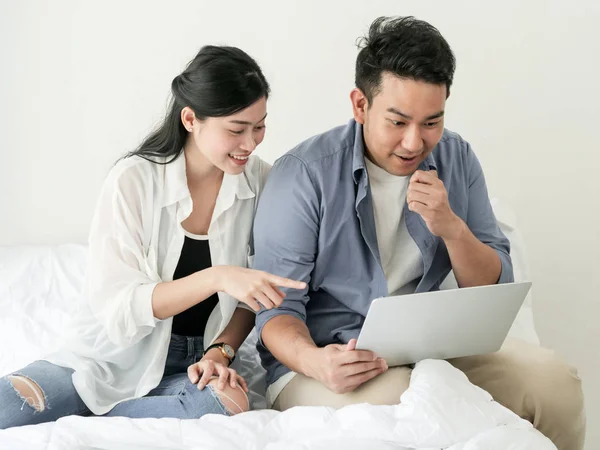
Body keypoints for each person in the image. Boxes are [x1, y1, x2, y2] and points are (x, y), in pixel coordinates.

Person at [252, 16, 585, 450]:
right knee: (414, 415)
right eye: (398, 122)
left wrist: (452, 229)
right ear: (360, 105)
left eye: (432, 122)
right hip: (328, 360)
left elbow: (488, 283)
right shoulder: (303, 176)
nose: (414, 143)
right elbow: (275, 313)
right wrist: (315, 362)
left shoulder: (457, 158)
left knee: (555, 383)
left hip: (431, 350)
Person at [0, 45, 305, 429]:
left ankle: (94, 418)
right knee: (12, 406)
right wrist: (217, 276)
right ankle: (94, 407)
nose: (251, 143)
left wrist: (221, 352)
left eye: (259, 126)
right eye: (236, 130)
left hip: (201, 362)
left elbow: (256, 293)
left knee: (227, 405)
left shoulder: (261, 181)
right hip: (109, 358)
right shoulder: (134, 180)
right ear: (191, 119)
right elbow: (121, 304)